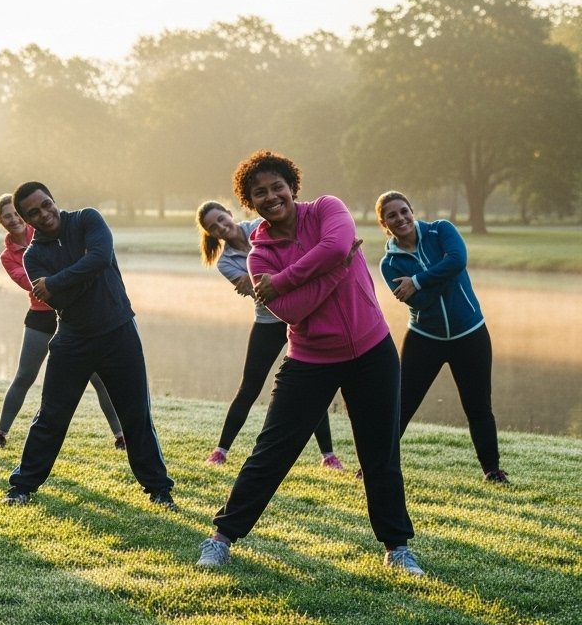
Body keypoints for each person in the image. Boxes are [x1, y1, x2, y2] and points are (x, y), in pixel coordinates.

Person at [196, 151, 423, 576]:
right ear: (250, 202)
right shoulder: (258, 256)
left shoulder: (326, 210)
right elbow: (296, 310)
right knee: (271, 453)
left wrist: (284, 280)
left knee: (380, 454)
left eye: (276, 186)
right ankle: (221, 538)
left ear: (292, 186)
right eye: (259, 192)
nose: (270, 196)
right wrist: (337, 269)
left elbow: (336, 245)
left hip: (373, 351)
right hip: (311, 360)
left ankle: (397, 547)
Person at [1, 182, 176, 511]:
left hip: (118, 330)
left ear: (54, 199)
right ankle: (21, 485)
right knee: (51, 417)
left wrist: (55, 280)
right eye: (33, 212)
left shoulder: (87, 220)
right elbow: (67, 293)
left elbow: (99, 257)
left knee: (135, 414)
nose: (43, 214)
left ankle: (159, 489)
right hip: (72, 339)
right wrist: (84, 271)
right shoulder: (34, 255)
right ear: (26, 219)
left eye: (45, 204)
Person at [195, 200, 344, 470]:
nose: (220, 226)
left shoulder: (261, 227)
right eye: (213, 227)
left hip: (302, 315)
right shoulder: (225, 263)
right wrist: (273, 280)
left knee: (311, 386)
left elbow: (282, 271)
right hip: (268, 320)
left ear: (230, 214)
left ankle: (328, 456)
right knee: (249, 386)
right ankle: (221, 450)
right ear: (210, 233)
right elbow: (262, 292)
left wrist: (270, 280)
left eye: (221, 219)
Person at [376, 191, 507, 484]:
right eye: (392, 216)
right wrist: (445, 271)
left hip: (470, 334)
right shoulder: (390, 264)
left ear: (413, 210)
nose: (400, 218)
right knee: (401, 405)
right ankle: (375, 465)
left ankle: (493, 471)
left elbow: (459, 259)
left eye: (403, 211)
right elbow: (420, 303)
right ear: (385, 224)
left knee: (478, 407)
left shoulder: (441, 230)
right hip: (424, 338)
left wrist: (419, 281)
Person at [0, 193, 126, 450]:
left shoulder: (47, 231)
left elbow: (76, 266)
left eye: (17, 214)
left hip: (76, 314)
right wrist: (64, 277)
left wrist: (54, 280)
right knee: (25, 375)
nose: (14, 220)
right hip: (41, 317)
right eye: (7, 216)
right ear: (1, 221)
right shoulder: (9, 256)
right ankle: (1, 432)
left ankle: (120, 435)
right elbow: (30, 285)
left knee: (98, 378)